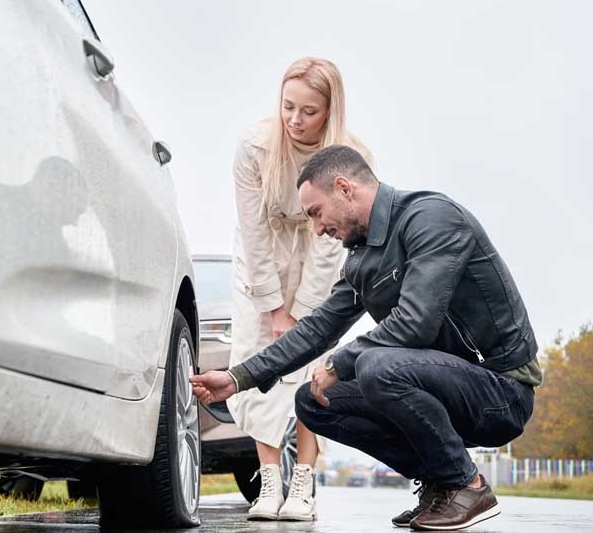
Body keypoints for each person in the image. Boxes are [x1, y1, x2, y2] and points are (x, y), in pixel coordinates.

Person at [192, 145, 541, 531]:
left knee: (377, 365)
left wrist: (339, 362)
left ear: (344, 188)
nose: (317, 229)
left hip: (500, 392)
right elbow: (317, 328)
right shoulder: (362, 258)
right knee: (312, 401)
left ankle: (467, 485)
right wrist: (239, 377)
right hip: (438, 384)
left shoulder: (433, 219)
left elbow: (415, 322)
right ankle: (440, 482)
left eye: (315, 213)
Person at [228, 57, 373, 521]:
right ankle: (269, 481)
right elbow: (252, 231)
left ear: (330, 111)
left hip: (319, 252)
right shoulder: (253, 145)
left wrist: (303, 315)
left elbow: (333, 244)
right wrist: (272, 309)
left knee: (309, 362)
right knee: (257, 361)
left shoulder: (351, 156)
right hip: (262, 257)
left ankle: (304, 481)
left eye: (308, 111)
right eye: (288, 106)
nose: (295, 119)